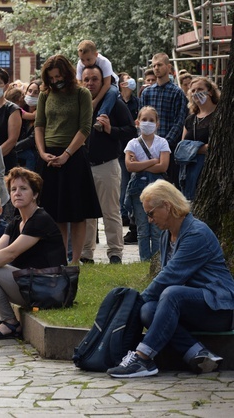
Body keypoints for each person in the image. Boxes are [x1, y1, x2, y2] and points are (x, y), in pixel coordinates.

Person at [107, 180, 234, 378]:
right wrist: (141, 304)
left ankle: (143, 358)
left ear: (167, 206)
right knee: (148, 310)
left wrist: (136, 300)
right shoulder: (168, 235)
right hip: (191, 306)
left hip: (219, 308)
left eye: (151, 213)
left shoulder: (196, 233)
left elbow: (170, 276)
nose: (149, 219)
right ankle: (198, 353)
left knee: (170, 294)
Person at [0, 167, 66, 339]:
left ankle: (10, 321)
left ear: (34, 194)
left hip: (47, 287)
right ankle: (0, 319)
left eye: (23, 189)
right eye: (13, 189)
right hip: (29, 281)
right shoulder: (16, 221)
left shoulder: (40, 219)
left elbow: (10, 253)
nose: (17, 193)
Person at [34, 55, 102, 264]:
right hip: (49, 156)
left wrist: (67, 155)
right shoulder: (45, 95)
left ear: (67, 74)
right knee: (57, 212)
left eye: (58, 76)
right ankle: (61, 258)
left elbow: (85, 128)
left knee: (77, 211)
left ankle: (75, 261)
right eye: (51, 77)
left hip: (73, 155)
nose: (55, 81)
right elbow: (39, 125)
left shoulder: (82, 93)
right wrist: (42, 152)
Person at [79, 66, 136, 265]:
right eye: (86, 79)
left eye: (94, 79)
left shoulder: (114, 104)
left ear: (102, 81)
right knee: (86, 213)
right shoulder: (79, 103)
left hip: (107, 165)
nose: (90, 83)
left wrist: (111, 130)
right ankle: (86, 253)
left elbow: (131, 131)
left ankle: (115, 253)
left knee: (111, 211)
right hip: (83, 165)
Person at [124, 106, 170, 261]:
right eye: (144, 119)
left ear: (158, 124)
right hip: (138, 190)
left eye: (151, 120)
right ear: (137, 122)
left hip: (158, 189)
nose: (148, 123)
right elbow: (130, 166)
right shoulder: (132, 144)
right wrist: (152, 161)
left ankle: (157, 259)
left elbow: (163, 166)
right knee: (143, 228)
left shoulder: (162, 142)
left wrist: (140, 164)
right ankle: (144, 259)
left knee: (157, 228)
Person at [139, 53, 188, 186]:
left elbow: (180, 121)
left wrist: (164, 145)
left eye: (159, 65)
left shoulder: (177, 93)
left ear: (168, 66)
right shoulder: (146, 92)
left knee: (170, 188)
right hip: (148, 149)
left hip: (169, 149)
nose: (156, 68)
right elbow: (141, 120)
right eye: (154, 65)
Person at [178, 77, 219, 201]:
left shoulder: (220, 115)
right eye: (193, 90)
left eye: (200, 89)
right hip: (191, 173)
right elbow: (181, 147)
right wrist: (202, 148)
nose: (196, 93)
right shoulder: (190, 119)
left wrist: (193, 148)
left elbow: (217, 147)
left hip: (212, 171)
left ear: (210, 92)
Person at [75, 40, 119, 131]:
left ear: (96, 55)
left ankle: (101, 118)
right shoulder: (80, 64)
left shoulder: (104, 62)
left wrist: (95, 102)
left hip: (110, 84)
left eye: (88, 59)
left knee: (112, 92)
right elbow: (79, 82)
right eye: (82, 59)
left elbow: (107, 84)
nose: (85, 63)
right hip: (92, 88)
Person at [118, 74, 140, 229]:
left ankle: (132, 213)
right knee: (123, 182)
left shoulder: (137, 102)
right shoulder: (116, 101)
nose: (131, 81)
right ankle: (124, 213)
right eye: (127, 79)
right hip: (120, 148)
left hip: (135, 147)